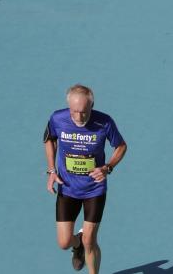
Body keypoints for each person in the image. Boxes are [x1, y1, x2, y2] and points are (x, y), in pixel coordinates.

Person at [44, 84, 127, 274]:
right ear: (68, 106)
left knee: (91, 239)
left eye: (83, 111)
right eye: (74, 111)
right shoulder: (57, 118)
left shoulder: (104, 122)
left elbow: (121, 146)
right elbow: (49, 139)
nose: (79, 117)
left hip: (94, 189)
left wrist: (108, 167)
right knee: (64, 243)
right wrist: (51, 171)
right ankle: (77, 243)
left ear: (92, 105)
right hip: (67, 187)